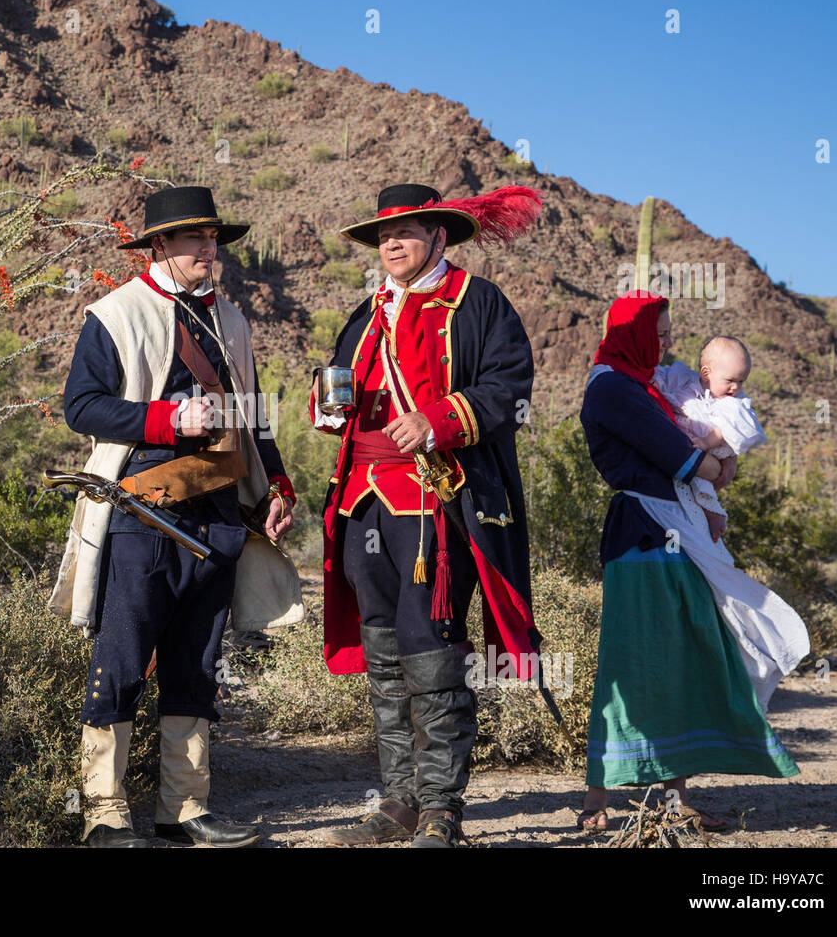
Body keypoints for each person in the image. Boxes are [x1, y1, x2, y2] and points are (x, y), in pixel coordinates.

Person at [50, 186, 296, 847]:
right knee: (123, 661)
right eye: (192, 238)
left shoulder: (232, 321)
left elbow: (251, 412)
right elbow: (83, 407)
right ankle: (103, 813)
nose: (206, 249)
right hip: (139, 509)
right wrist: (164, 418)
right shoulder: (115, 314)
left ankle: (183, 809)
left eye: (212, 238)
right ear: (158, 245)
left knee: (196, 664)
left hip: (217, 512)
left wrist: (274, 481)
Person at [313, 183, 542, 847]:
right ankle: (398, 803)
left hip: (433, 500)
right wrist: (325, 407)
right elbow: (338, 393)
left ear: (439, 237)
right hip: (363, 500)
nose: (391, 243)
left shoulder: (477, 304)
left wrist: (440, 420)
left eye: (406, 232)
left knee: (431, 647)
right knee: (383, 653)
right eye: (383, 235)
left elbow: (508, 387)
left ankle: (442, 807)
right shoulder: (365, 314)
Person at [576, 291, 802, 835]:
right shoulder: (613, 387)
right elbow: (687, 460)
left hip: (672, 531)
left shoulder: (642, 386)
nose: (670, 341)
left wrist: (715, 464)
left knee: (679, 658)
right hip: (644, 535)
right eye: (661, 332)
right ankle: (595, 802)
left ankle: (673, 802)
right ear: (635, 333)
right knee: (633, 661)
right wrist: (716, 463)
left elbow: (704, 460)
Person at [651, 335, 767, 542]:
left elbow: (725, 429)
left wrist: (706, 443)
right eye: (730, 381)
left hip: (708, 445)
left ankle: (713, 512)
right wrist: (657, 384)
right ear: (706, 373)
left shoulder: (732, 403)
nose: (736, 388)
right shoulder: (683, 378)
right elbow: (663, 375)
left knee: (700, 481)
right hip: (679, 435)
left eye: (742, 381)